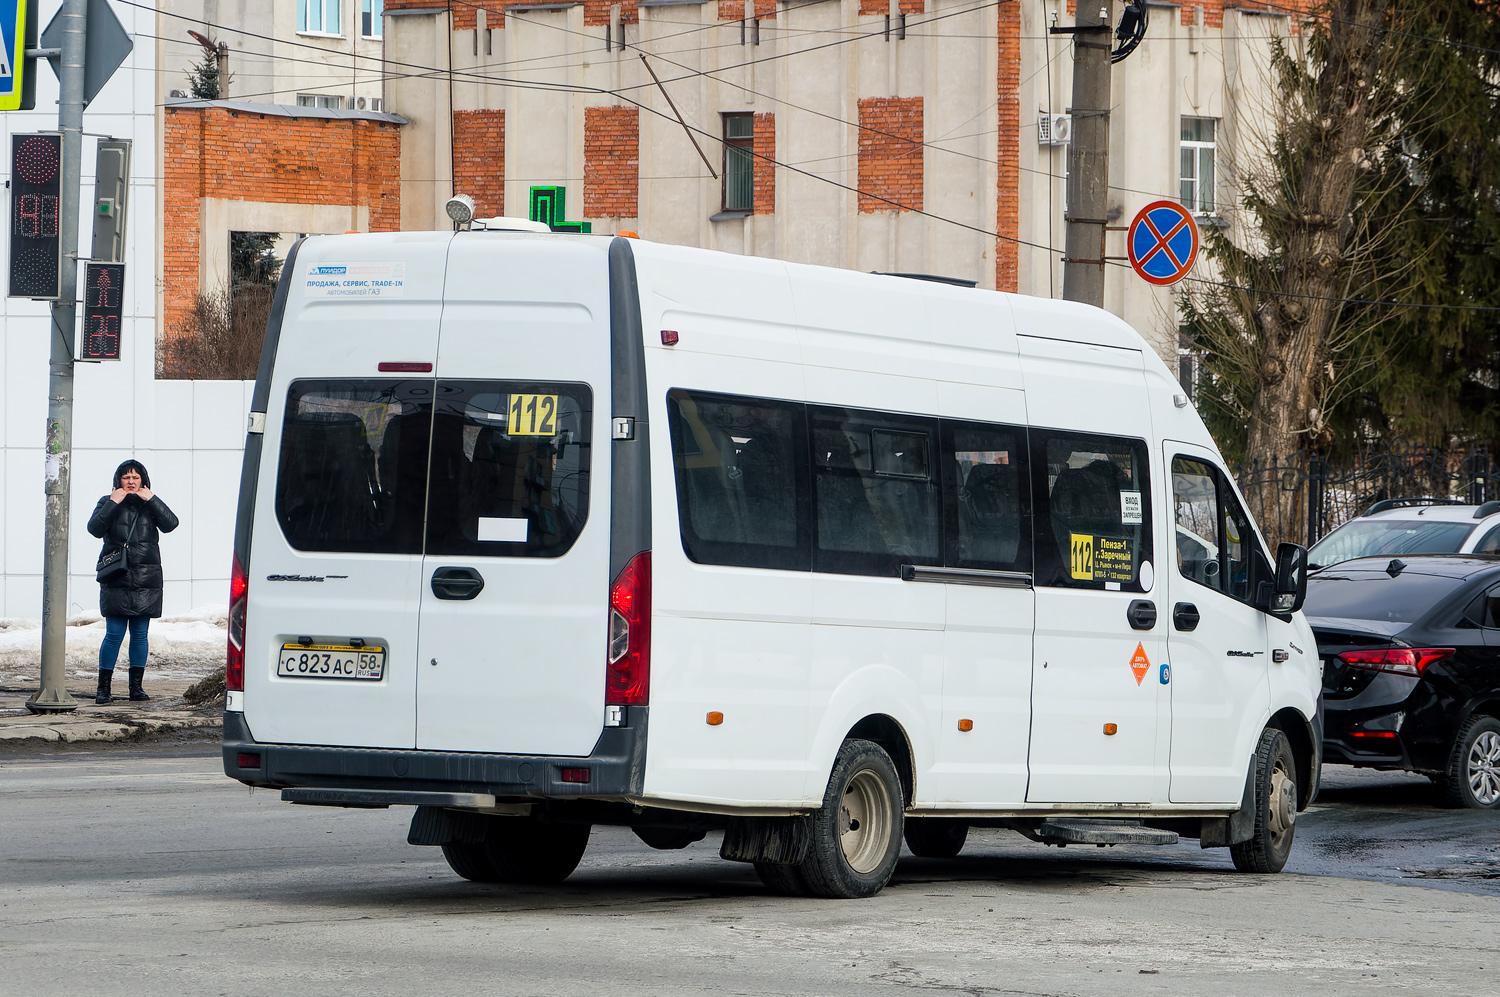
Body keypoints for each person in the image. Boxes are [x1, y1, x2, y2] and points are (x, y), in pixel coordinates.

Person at [87, 460, 179, 705]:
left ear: (143, 480)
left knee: (140, 635)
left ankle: (136, 688)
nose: (130, 481)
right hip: (117, 577)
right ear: (118, 480)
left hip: (146, 579)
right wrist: (113, 502)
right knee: (113, 634)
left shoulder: (150, 504)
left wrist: (152, 499)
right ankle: (103, 689)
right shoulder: (107, 502)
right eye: (126, 477)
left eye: (135, 477)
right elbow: (94, 528)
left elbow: (171, 523)